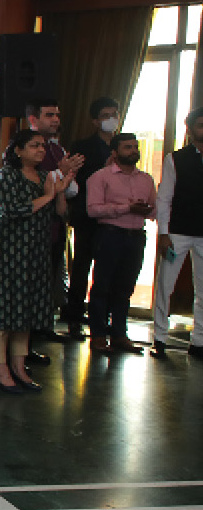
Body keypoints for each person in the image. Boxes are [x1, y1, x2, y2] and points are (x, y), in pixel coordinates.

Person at [0, 130, 75, 394]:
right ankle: (0, 368)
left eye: (42, 146)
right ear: (18, 150)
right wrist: (47, 196)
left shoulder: (46, 177)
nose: (41, 150)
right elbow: (14, 210)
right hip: (7, 251)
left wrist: (60, 192)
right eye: (34, 145)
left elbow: (60, 213)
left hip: (35, 252)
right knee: (3, 310)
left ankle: (19, 367)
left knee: (26, 310)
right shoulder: (6, 176)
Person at [85, 133, 155, 354]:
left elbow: (154, 210)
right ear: (114, 153)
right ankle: (98, 335)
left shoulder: (146, 179)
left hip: (136, 236)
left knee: (125, 288)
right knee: (102, 286)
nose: (133, 151)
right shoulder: (100, 177)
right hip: (110, 235)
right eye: (127, 147)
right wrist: (127, 208)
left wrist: (146, 209)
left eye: (135, 147)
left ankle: (119, 335)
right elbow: (93, 210)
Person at [23, 99, 83, 346]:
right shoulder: (23, 148)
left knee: (48, 279)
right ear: (33, 119)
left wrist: (64, 175)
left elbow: (72, 190)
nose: (56, 120)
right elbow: (30, 187)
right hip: (30, 229)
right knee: (30, 282)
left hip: (54, 225)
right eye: (49, 115)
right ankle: (27, 336)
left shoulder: (57, 149)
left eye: (57, 115)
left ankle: (43, 325)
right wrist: (59, 172)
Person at [65, 97, 122, 338]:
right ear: (95, 121)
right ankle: (74, 317)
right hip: (87, 215)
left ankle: (102, 318)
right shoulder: (82, 146)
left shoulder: (122, 145)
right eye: (106, 115)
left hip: (114, 217)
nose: (111, 119)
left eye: (114, 114)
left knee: (108, 270)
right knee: (81, 266)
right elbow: (76, 179)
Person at [152, 106, 203, 358]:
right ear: (190, 130)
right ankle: (160, 338)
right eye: (200, 125)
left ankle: (199, 341)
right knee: (165, 285)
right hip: (178, 232)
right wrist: (164, 233)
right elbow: (164, 198)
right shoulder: (176, 159)